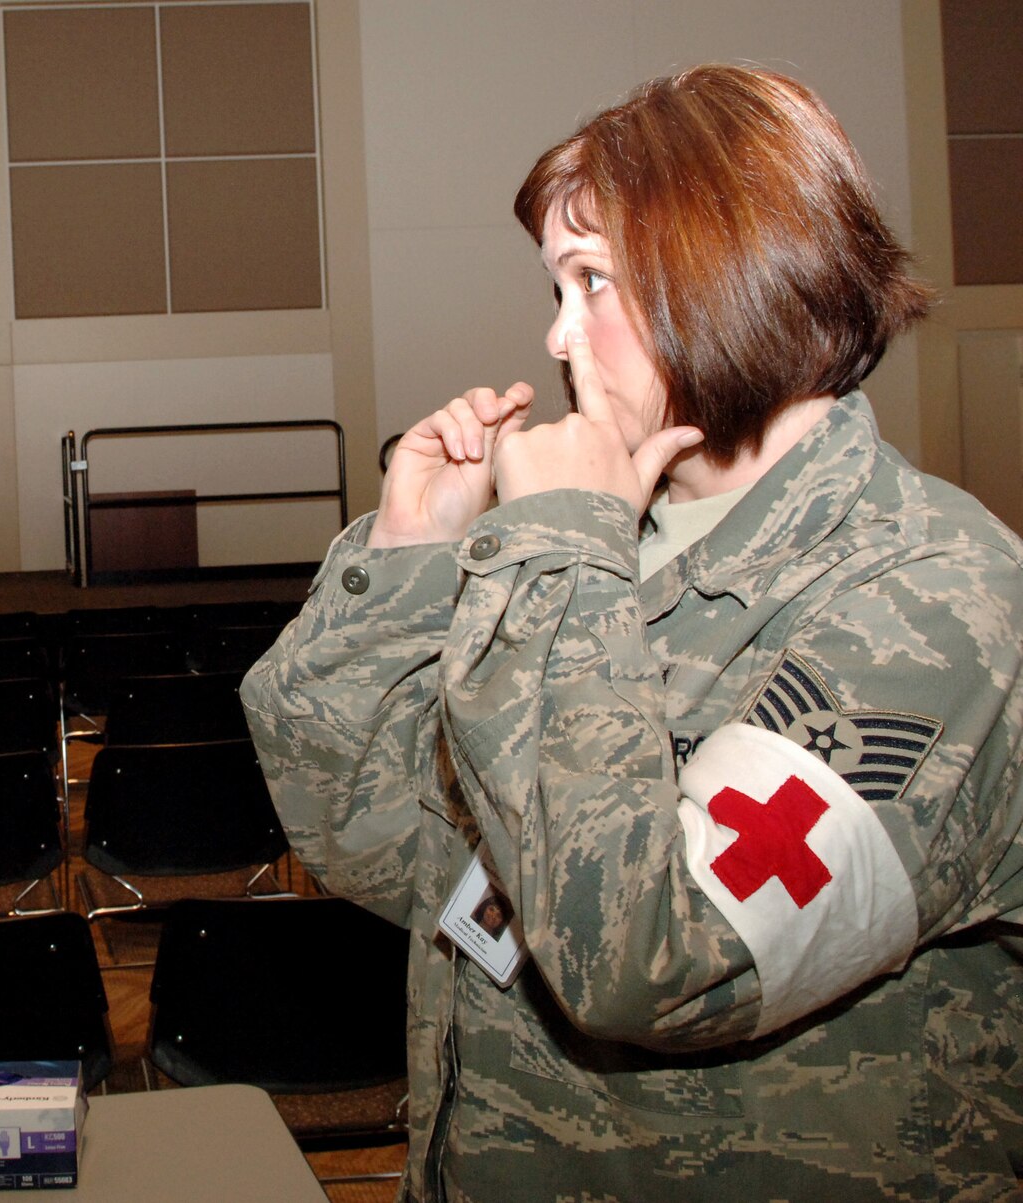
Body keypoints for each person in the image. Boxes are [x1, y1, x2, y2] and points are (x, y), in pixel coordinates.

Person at [243, 65, 1023, 1200]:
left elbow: (655, 962)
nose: (557, 337)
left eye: (590, 281)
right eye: (554, 286)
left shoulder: (933, 600)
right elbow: (375, 843)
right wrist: (411, 559)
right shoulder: (586, 547)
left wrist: (560, 537)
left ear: (727, 270)